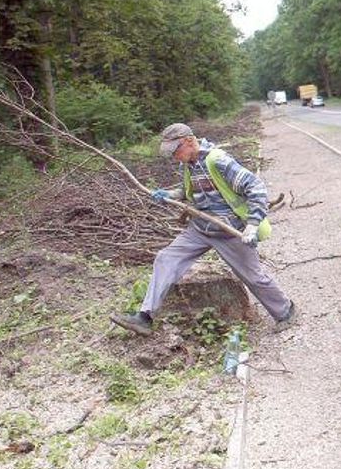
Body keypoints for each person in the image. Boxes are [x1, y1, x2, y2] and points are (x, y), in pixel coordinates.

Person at [111, 123, 295, 335]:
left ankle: (285, 311)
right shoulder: (188, 164)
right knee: (166, 258)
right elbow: (188, 190)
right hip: (200, 229)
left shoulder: (218, 160)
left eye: (175, 151)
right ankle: (144, 317)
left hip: (229, 231)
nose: (174, 157)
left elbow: (256, 188)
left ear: (189, 141)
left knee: (253, 277)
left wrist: (252, 225)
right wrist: (170, 195)